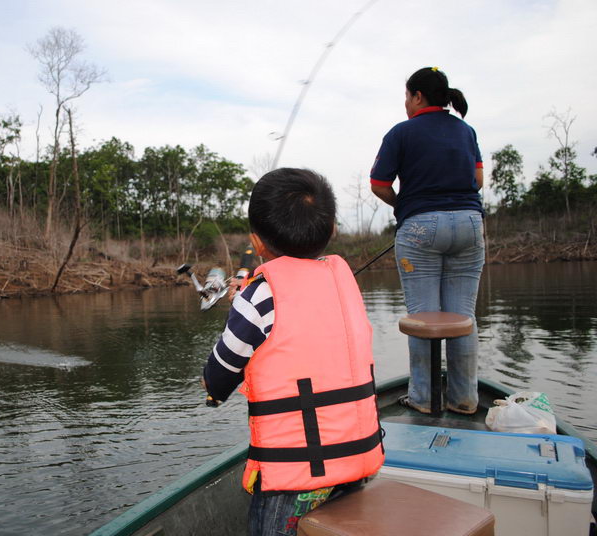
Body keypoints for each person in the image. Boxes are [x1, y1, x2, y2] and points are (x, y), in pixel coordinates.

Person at [202, 168, 384, 536]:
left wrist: (244, 304)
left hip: (293, 480)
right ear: (331, 229)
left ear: (257, 241)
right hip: (356, 461)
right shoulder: (342, 282)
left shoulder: (256, 297)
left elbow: (217, 378)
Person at [370, 66, 485, 415]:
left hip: (420, 229)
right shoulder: (466, 131)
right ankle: (464, 400)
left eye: (407, 96)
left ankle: (423, 399)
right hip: (469, 224)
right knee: (463, 317)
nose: (405, 103)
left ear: (418, 97)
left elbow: (378, 184)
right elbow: (477, 180)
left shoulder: (401, 132)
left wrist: (405, 205)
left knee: (422, 318)